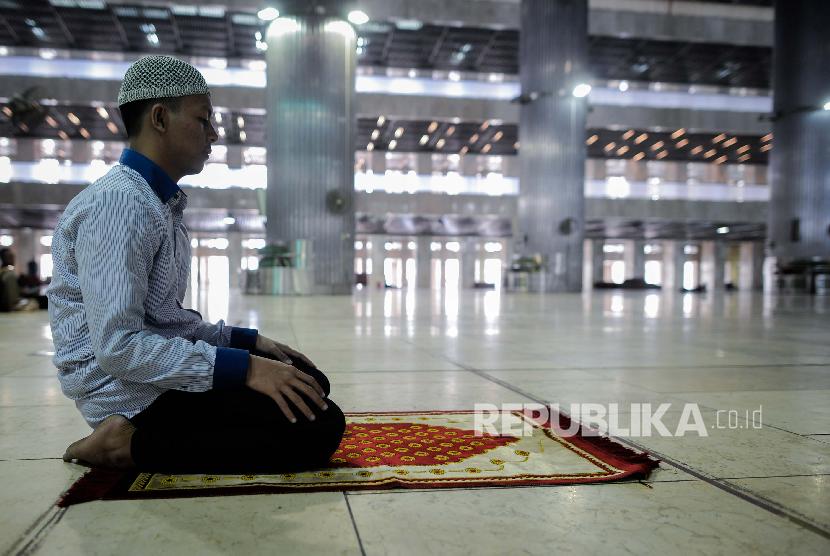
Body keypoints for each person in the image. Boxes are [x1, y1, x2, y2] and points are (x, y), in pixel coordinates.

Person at [47, 55, 345, 473]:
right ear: (159, 118)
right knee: (319, 426)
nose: (214, 134)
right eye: (204, 120)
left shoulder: (158, 203)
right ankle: (123, 444)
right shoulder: (120, 204)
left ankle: (160, 434)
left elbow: (164, 321)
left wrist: (244, 343)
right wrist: (243, 370)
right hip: (126, 388)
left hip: (148, 371)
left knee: (306, 382)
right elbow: (118, 348)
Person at [0, 248, 37, 312]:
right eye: (10, 257)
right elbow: (12, 301)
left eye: (13, 256)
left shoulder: (4, 272)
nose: (13, 259)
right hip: (8, 309)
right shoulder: (9, 275)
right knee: (34, 303)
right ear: (4, 259)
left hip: (5, 306)